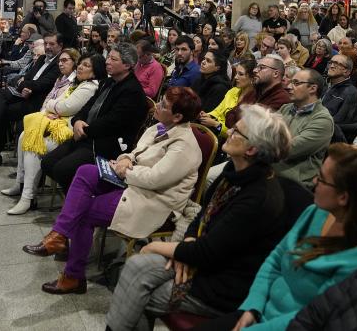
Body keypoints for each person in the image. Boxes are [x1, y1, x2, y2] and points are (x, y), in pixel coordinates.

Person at [106, 106, 296, 330]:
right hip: (204, 260)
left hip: (222, 284)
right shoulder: (232, 174)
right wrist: (187, 242)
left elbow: (211, 251)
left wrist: (156, 247)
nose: (230, 131)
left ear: (251, 149)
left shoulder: (259, 196)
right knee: (136, 267)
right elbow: (201, 217)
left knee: (135, 289)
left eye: (237, 132)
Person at [23, 87, 203, 294]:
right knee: (86, 171)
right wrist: (125, 159)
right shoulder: (161, 126)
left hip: (155, 201)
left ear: (178, 116)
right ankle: (60, 236)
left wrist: (124, 171)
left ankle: (73, 276)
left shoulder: (184, 146)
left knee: (84, 212)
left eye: (163, 105)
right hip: (135, 185)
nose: (158, 106)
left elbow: (155, 179)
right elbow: (136, 152)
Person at [197, 144, 357, 331]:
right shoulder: (315, 212)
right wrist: (252, 307)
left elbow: (312, 316)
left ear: (344, 197)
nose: (314, 182)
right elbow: (275, 259)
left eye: (322, 179)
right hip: (255, 313)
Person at [2, 53, 103, 215]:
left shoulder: (90, 87)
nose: (80, 67)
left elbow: (64, 107)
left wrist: (52, 106)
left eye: (86, 65)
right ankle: (20, 184)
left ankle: (28, 198)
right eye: (81, 64)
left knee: (35, 146)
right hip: (57, 124)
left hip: (69, 131)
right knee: (24, 136)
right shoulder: (75, 83)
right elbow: (56, 103)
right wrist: (53, 107)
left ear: (96, 71)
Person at [41, 43, 149, 190]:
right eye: (108, 57)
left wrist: (84, 131)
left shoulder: (132, 91)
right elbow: (87, 106)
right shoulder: (108, 82)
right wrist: (77, 121)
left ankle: (81, 201)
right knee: (47, 162)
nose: (107, 61)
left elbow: (112, 122)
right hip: (88, 134)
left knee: (63, 170)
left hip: (106, 143)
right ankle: (77, 195)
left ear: (127, 65)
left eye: (113, 59)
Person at [0, 33, 63, 167]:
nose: (48, 47)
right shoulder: (42, 58)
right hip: (24, 94)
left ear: (60, 46)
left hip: (38, 101)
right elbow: (26, 77)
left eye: (52, 44)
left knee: (1, 111)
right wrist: (23, 86)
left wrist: (26, 86)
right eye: (46, 44)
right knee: (0, 94)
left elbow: (44, 84)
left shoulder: (59, 63)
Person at [277, 69, 334, 186]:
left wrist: (258, 140)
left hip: (293, 184)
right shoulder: (286, 108)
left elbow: (289, 149)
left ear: (312, 88)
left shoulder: (323, 120)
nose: (288, 86)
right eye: (291, 82)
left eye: (296, 83)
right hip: (270, 173)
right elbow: (265, 132)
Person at [198, 59, 257, 138]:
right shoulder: (233, 91)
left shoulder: (254, 100)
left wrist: (216, 124)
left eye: (241, 74)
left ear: (252, 78)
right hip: (215, 130)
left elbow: (237, 132)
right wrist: (208, 115)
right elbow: (218, 110)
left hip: (230, 138)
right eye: (236, 73)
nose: (235, 77)